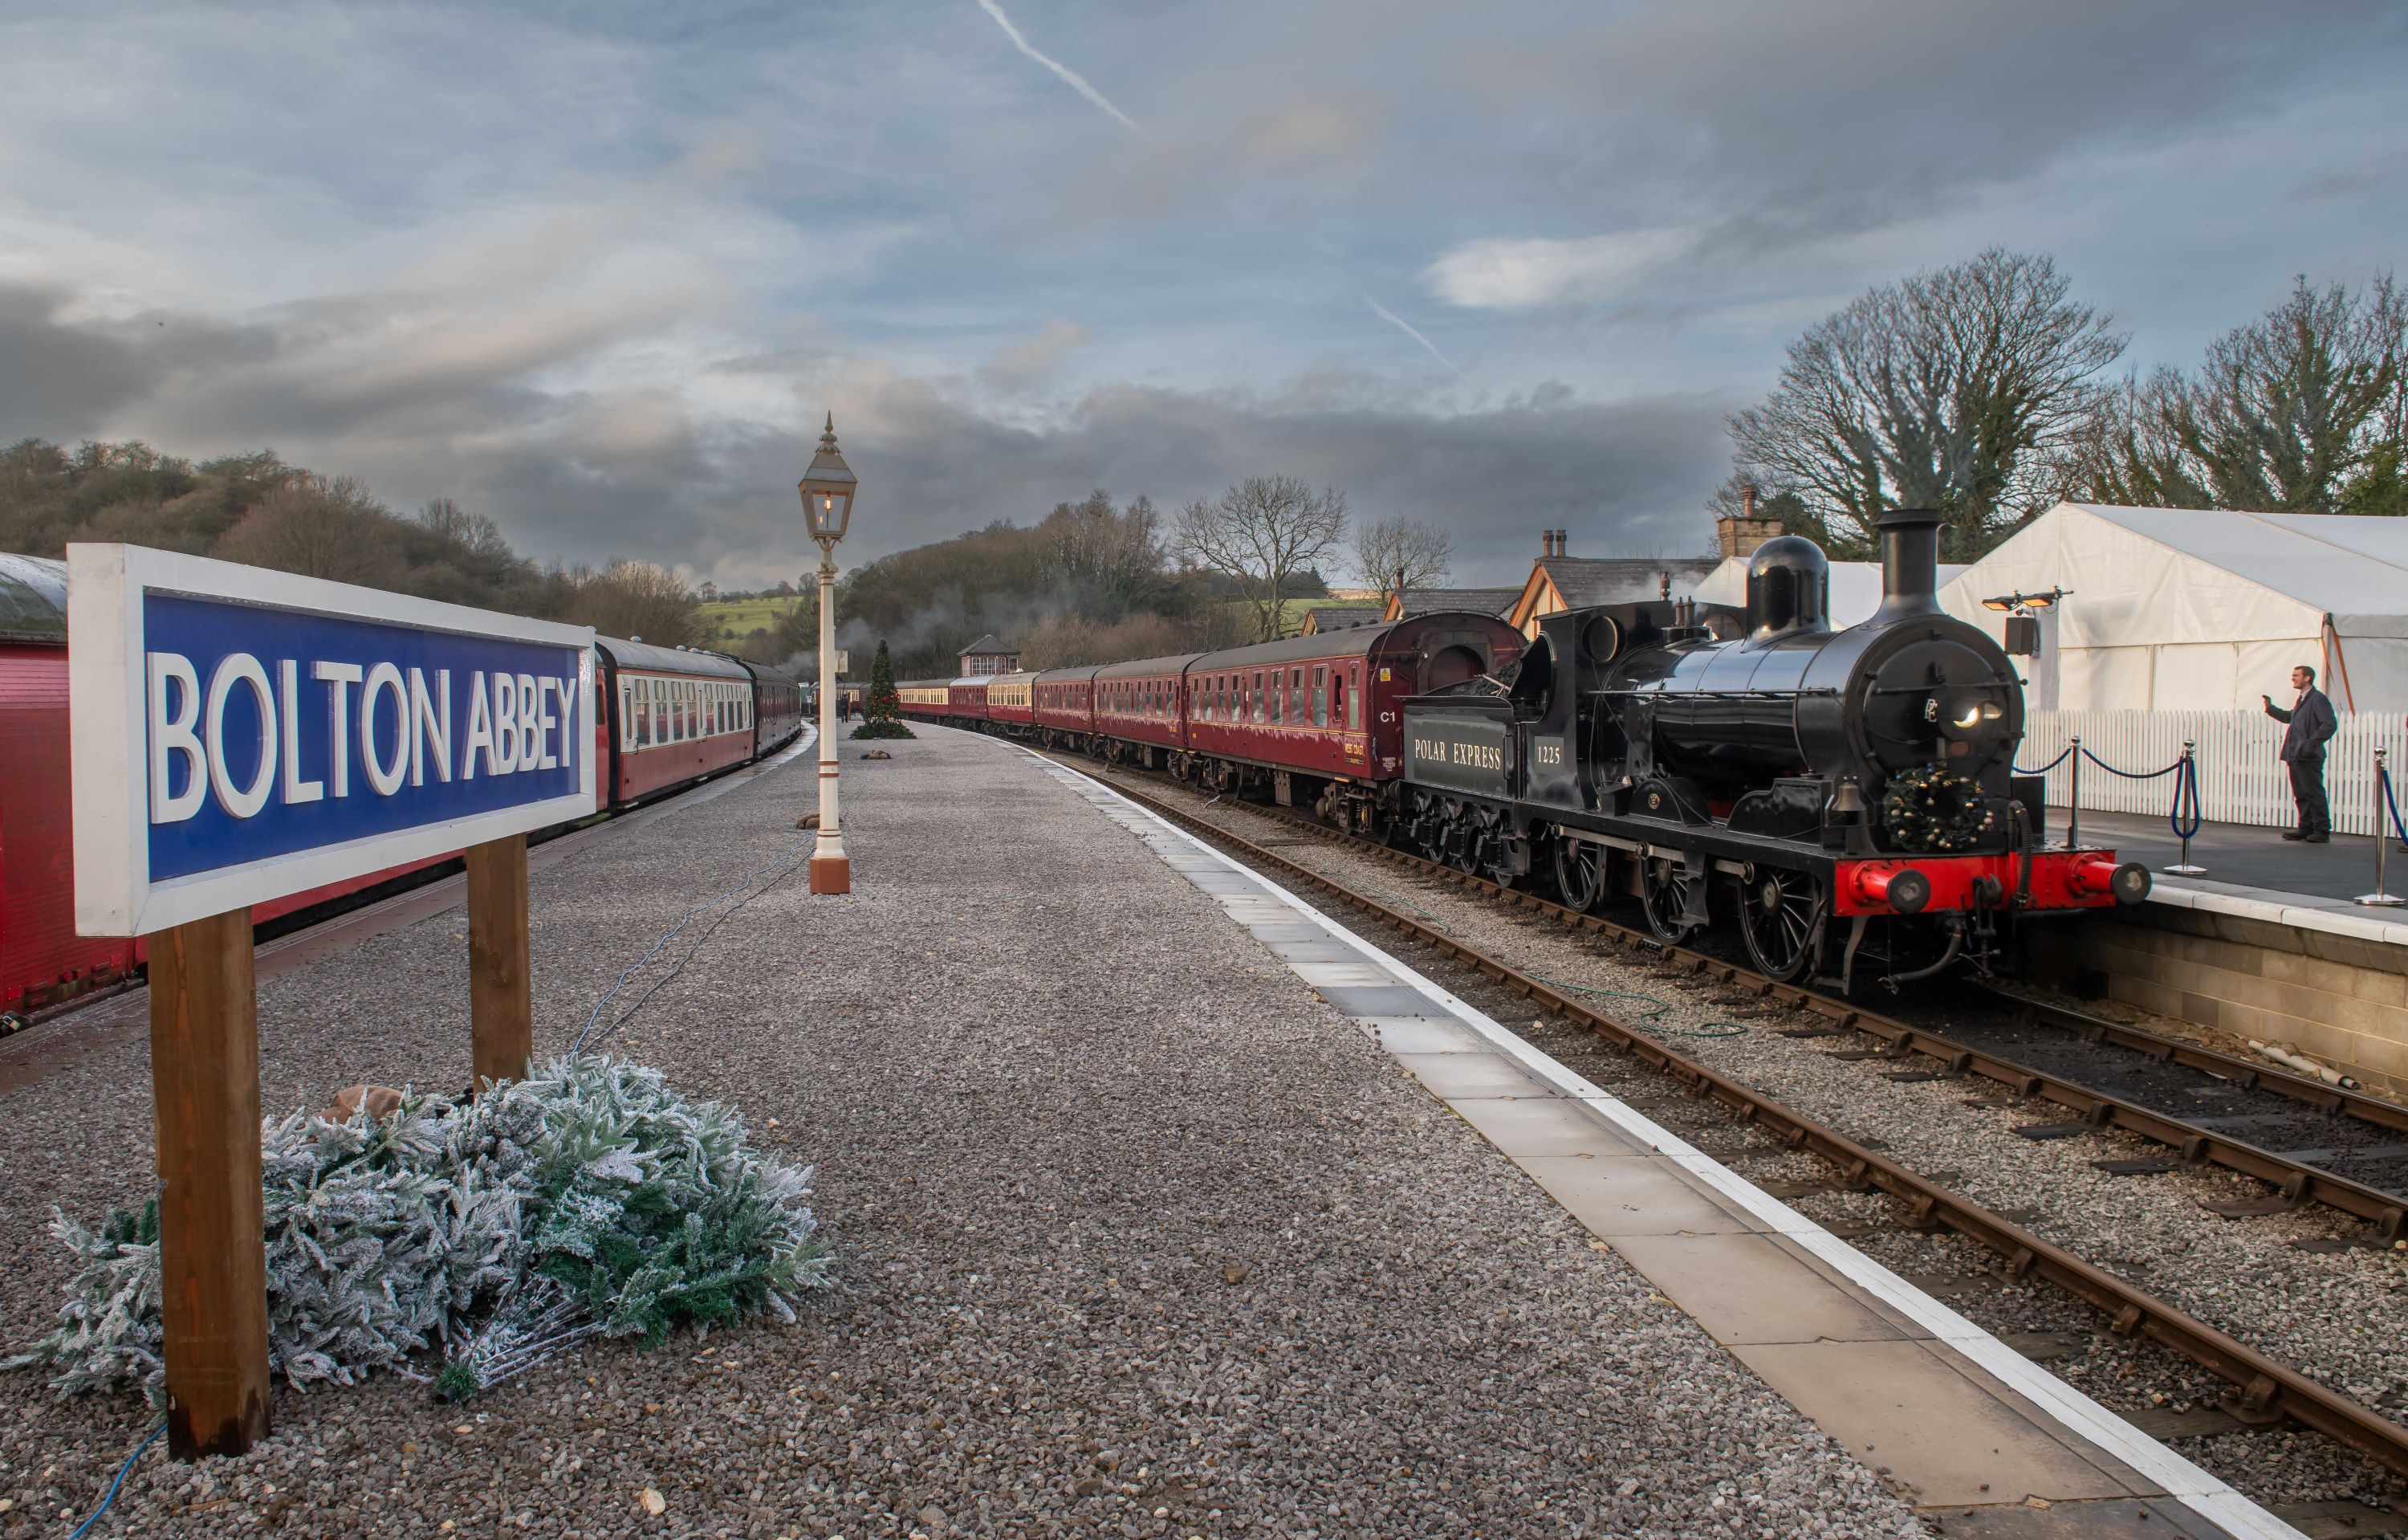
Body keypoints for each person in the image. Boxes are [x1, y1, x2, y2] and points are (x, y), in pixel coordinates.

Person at [2263, 664, 2337, 842]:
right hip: (2295, 753)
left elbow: (2329, 724)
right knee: (2301, 793)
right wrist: (2271, 709)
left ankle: (2322, 829)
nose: (2293, 678)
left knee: (2313, 792)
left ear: (2307, 678)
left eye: (2296, 675)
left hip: (2307, 755)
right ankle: (2306, 827)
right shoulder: (2303, 700)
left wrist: (2310, 744)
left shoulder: (2317, 700)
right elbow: (2291, 718)